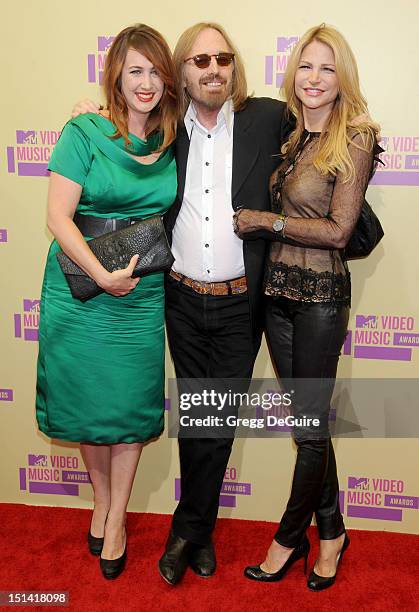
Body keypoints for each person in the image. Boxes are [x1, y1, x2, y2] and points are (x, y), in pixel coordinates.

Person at [71, 21, 288, 586]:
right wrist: (84, 111)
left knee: (217, 425)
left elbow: (320, 119)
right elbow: (114, 143)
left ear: (233, 67)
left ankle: (189, 531)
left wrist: (358, 126)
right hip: (182, 300)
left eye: (222, 59)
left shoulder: (266, 119)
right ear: (182, 76)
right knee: (198, 419)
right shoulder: (168, 132)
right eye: (199, 61)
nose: (212, 69)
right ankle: (199, 529)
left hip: (243, 304)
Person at [235, 24, 379, 591]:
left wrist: (267, 222)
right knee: (307, 425)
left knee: (312, 433)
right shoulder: (288, 133)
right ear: (292, 74)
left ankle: (289, 538)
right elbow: (223, 102)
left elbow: (340, 230)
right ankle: (334, 531)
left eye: (327, 67)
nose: (314, 78)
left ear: (342, 76)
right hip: (277, 298)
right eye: (305, 67)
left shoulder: (356, 137)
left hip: (320, 299)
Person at [36, 24, 178, 580]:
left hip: (140, 292)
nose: (145, 83)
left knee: (128, 411)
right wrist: (102, 275)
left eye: (154, 72)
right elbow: (57, 216)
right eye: (134, 70)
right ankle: (101, 501)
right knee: (91, 410)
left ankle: (116, 518)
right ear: (116, 74)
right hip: (80, 287)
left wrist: (122, 281)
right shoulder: (83, 131)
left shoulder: (171, 139)